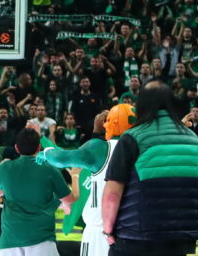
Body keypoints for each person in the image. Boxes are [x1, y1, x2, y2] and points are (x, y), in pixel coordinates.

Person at [102, 83, 198, 256]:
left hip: (136, 237)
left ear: (141, 105)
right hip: (180, 241)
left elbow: (112, 194)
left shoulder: (132, 137)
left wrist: (108, 230)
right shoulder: (194, 140)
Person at [37, 105, 136, 256]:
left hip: (101, 233)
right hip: (132, 232)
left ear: (111, 124)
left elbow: (61, 158)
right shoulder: (143, 149)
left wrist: (46, 152)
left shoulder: (101, 148)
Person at [0, 127, 76, 256]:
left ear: (16, 148)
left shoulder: (6, 168)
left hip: (10, 241)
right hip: (43, 240)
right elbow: (70, 201)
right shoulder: (50, 169)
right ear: (39, 147)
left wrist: (5, 190)